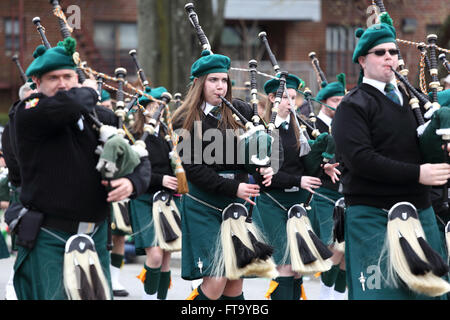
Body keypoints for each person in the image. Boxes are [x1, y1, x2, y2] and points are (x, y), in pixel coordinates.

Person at [12, 38, 151, 300]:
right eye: (53, 77)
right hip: (49, 234)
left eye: (68, 76)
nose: (63, 83)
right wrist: (90, 90)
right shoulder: (29, 112)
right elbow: (71, 104)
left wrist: (132, 183)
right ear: (37, 83)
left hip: (96, 234)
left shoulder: (101, 118)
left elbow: (139, 159)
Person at [332, 15, 450, 300]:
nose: (389, 58)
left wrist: (441, 143)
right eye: (380, 52)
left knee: (429, 296)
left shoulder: (417, 102)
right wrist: (418, 173)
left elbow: (426, 150)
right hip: (373, 214)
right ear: (362, 60)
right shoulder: (352, 105)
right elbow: (361, 159)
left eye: (393, 52)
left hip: (420, 210)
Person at [173, 50, 274, 300]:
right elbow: (194, 170)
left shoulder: (240, 110)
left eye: (223, 80)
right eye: (213, 80)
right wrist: (234, 188)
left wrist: (265, 165)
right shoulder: (186, 118)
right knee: (216, 278)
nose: (220, 86)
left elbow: (259, 150)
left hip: (236, 204)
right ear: (198, 83)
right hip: (203, 203)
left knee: (234, 282)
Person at [258, 73, 340, 300]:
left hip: (296, 203)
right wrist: (298, 181)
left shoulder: (297, 129)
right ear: (273, 99)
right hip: (273, 204)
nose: (291, 103)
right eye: (286, 98)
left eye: (294, 98)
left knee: (296, 268)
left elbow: (304, 166)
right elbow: (267, 177)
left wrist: (322, 167)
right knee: (285, 265)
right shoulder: (265, 130)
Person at [129, 86, 179, 300]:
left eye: (161, 106)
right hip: (143, 199)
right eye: (153, 106)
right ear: (144, 109)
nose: (158, 110)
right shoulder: (135, 135)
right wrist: (161, 179)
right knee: (156, 255)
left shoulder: (168, 135)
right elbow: (131, 171)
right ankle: (149, 297)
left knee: (166, 255)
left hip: (166, 199)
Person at [307, 74, 347, 300]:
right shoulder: (313, 124)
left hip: (345, 192)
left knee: (346, 251)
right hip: (323, 192)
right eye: (335, 101)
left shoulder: (344, 125)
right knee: (334, 247)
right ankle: (324, 295)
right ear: (324, 101)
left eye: (343, 100)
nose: (340, 105)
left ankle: (338, 296)